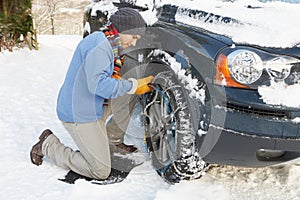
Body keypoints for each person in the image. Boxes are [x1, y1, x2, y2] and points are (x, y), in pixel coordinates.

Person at [30, 8, 154, 180]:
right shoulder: (101, 47)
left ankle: (110, 141)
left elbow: (107, 79)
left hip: (92, 104)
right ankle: (48, 145)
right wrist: (133, 85)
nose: (133, 43)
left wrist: (131, 86)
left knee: (129, 93)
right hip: (79, 114)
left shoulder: (107, 41)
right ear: (123, 29)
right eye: (133, 37)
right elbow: (98, 85)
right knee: (101, 171)